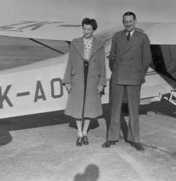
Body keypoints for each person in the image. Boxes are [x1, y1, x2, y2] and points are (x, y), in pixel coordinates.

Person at [102, 11, 152, 151]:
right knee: (115, 109)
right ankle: (112, 137)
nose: (128, 24)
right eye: (126, 21)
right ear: (123, 22)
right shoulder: (117, 36)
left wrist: (139, 74)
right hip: (118, 77)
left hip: (134, 77)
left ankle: (135, 139)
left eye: (130, 21)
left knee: (134, 110)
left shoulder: (143, 37)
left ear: (135, 21)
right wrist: (116, 70)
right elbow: (112, 56)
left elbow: (147, 59)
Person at [63, 18, 106, 146]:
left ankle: (85, 132)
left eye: (89, 29)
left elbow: (102, 65)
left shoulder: (99, 44)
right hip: (78, 77)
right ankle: (79, 133)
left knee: (89, 106)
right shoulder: (75, 43)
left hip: (93, 77)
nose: (86, 31)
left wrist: (101, 83)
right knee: (77, 105)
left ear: (93, 30)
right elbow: (70, 63)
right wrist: (67, 81)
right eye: (84, 29)